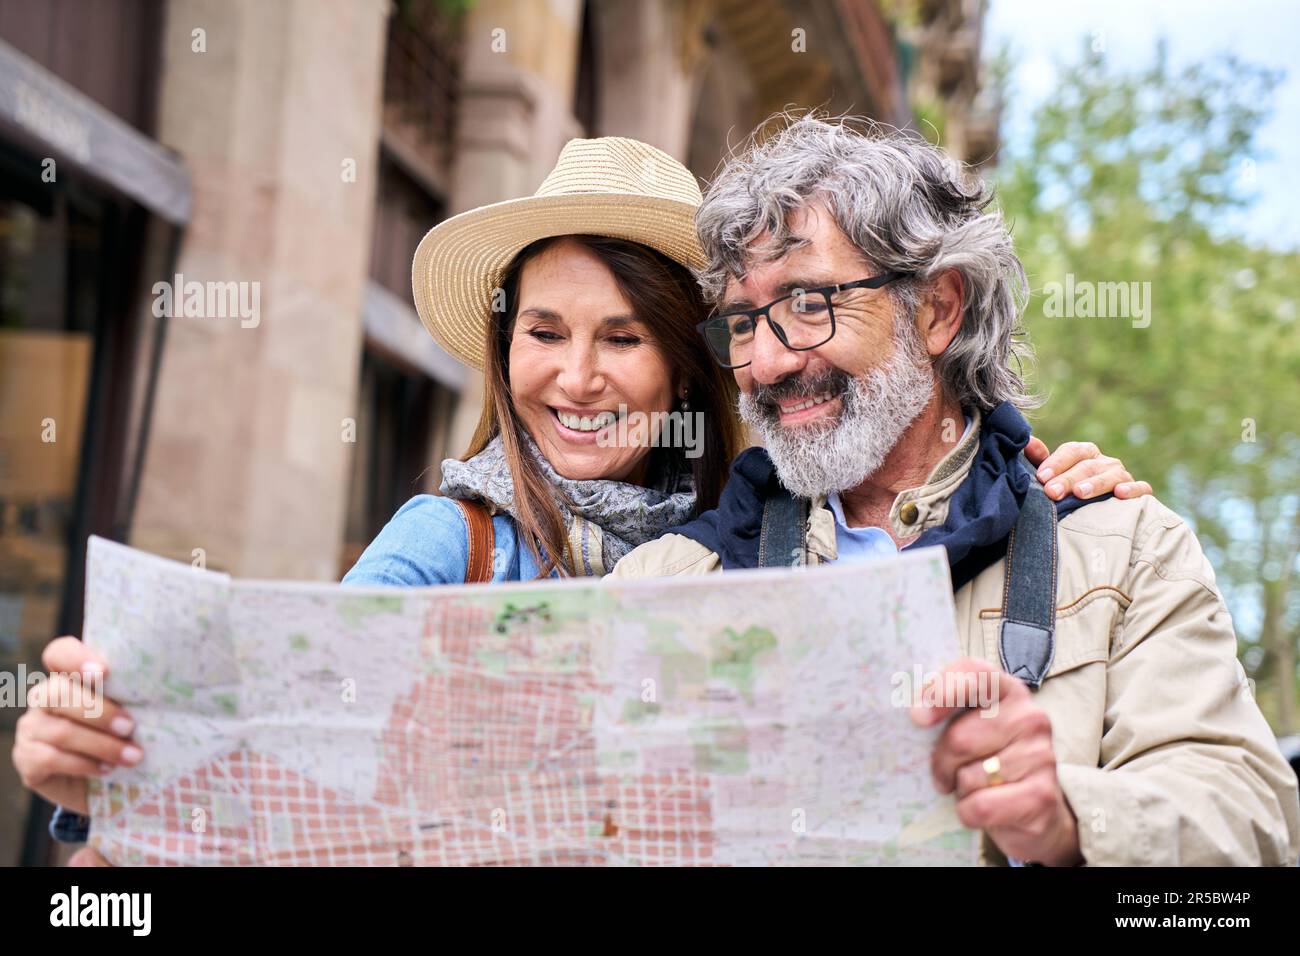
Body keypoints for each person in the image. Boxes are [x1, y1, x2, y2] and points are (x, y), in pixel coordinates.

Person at [15, 136, 1149, 863]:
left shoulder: (750, 511)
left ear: (691, 365)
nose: (575, 377)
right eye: (542, 334)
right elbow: (299, 751)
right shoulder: (448, 536)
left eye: (623, 338)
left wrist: (1045, 491)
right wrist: (102, 789)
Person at [608, 115, 1300, 866]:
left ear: (938, 309)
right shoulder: (661, 585)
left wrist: (1066, 816)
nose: (766, 363)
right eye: (743, 322)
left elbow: (1251, 822)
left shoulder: (1127, 553)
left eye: (810, 304)